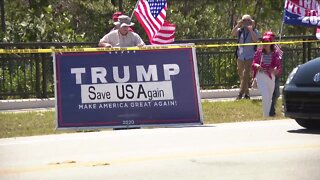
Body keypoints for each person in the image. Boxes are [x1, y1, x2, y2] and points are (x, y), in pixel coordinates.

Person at [252, 34, 281, 117]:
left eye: (267, 41)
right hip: (261, 75)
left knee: (269, 97)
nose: (265, 43)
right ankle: (265, 116)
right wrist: (257, 66)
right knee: (265, 95)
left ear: (270, 43)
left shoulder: (275, 53)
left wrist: (275, 69)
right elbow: (254, 63)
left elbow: (277, 65)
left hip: (271, 76)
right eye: (263, 41)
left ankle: (267, 115)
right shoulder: (259, 52)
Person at [232, 14, 259, 100]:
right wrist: (238, 25)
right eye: (244, 20)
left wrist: (251, 30)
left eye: (248, 20)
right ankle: (247, 94)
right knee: (242, 75)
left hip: (250, 56)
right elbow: (233, 34)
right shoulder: (240, 30)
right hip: (240, 56)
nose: (246, 22)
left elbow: (255, 40)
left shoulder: (254, 30)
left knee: (246, 74)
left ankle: (240, 94)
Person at [263, 31, 283, 116]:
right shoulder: (262, 50)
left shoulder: (276, 48)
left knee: (276, 93)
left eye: (272, 37)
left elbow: (279, 58)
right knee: (269, 93)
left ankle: (271, 109)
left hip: (275, 74)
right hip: (267, 74)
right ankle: (270, 111)